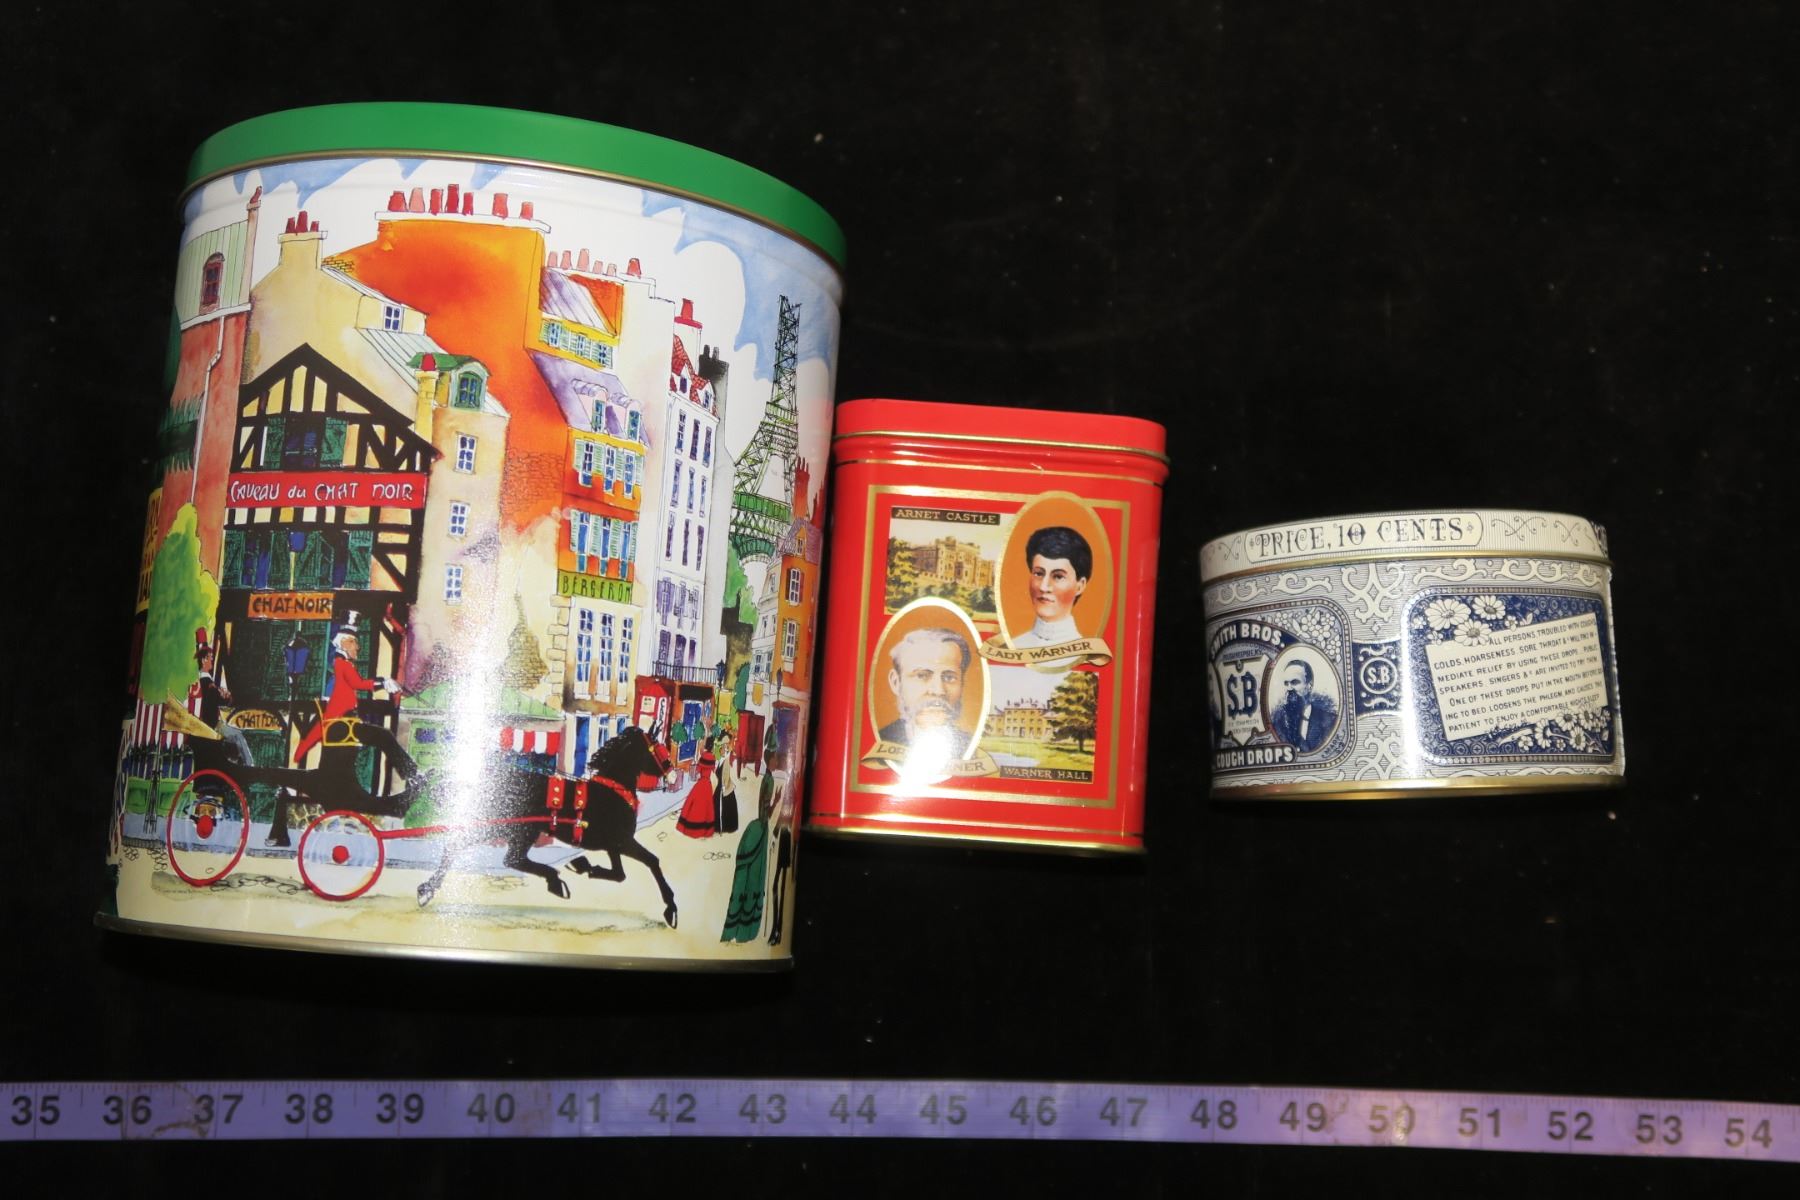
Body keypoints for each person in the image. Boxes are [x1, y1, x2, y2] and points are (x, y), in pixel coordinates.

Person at [877, 626, 972, 756]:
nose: (938, 691)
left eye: (949, 677)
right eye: (922, 675)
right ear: (896, 682)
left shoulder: (973, 748)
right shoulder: (879, 741)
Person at [1011, 526, 1091, 648]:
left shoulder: (1088, 654)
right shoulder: (1014, 646)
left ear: (1080, 586)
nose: (1043, 587)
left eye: (1058, 576)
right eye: (1039, 574)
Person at [721, 768, 775, 944]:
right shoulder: (769, 780)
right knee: (754, 877)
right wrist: (776, 802)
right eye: (776, 758)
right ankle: (744, 930)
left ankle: (738, 929)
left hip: (759, 828)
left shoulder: (767, 778)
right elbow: (765, 811)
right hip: (761, 829)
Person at [192, 629, 252, 765]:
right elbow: (219, 701)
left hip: (210, 722)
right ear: (204, 660)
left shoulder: (204, 681)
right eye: (210, 657)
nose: (212, 660)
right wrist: (227, 696)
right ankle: (248, 766)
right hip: (212, 724)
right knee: (237, 735)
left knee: (234, 736)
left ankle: (239, 763)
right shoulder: (207, 683)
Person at [1269, 658, 1338, 752]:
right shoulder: (1277, 725)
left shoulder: (1330, 721)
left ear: (1309, 686)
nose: (1289, 688)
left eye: (1294, 682)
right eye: (1286, 683)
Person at [675, 737, 719, 838]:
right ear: (712, 746)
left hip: (701, 783)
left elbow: (698, 770)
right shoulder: (712, 757)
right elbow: (713, 770)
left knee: (693, 803)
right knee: (706, 806)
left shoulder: (703, 756)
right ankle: (703, 830)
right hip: (707, 784)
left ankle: (689, 827)